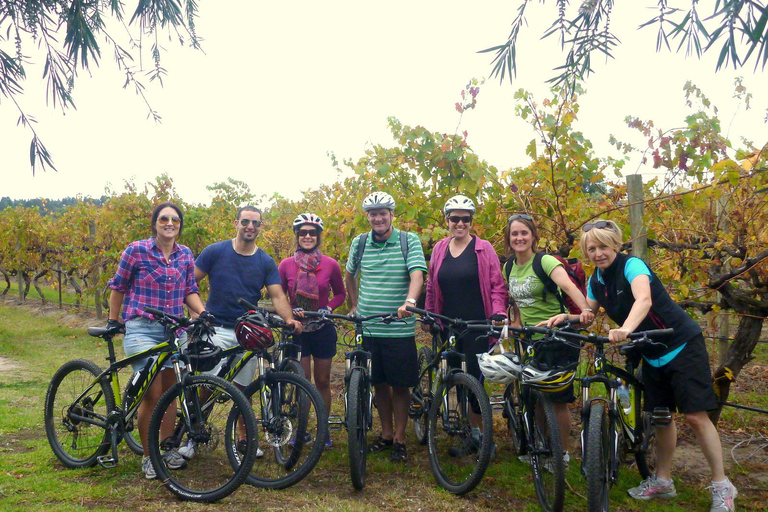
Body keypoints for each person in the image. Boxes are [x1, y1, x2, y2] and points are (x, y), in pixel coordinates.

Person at [574, 219, 736, 512]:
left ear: (616, 245)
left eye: (603, 246)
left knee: (696, 416)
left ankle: (723, 486)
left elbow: (644, 300)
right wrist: (572, 317)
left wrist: (625, 328)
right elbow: (589, 310)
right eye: (591, 248)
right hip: (650, 352)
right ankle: (663, 481)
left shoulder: (632, 266)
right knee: (661, 417)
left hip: (680, 344)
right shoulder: (595, 279)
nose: (598, 253)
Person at [107, 202, 207, 479]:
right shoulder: (136, 250)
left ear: (179, 225)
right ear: (154, 223)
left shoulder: (185, 254)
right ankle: (149, 456)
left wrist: (202, 312)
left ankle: (166, 448)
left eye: (175, 219)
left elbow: (190, 290)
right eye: (164, 218)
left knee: (171, 391)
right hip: (142, 329)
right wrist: (114, 321)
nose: (170, 223)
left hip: (174, 331)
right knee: (152, 393)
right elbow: (118, 286)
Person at [194, 206, 303, 456]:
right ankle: (193, 434)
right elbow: (190, 282)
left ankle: (244, 440)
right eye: (245, 221)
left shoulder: (264, 260)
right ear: (236, 223)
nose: (250, 226)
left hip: (247, 332)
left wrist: (288, 319)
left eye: (255, 223)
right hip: (216, 328)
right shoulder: (215, 251)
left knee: (243, 389)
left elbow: (277, 294)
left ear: (260, 227)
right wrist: (196, 312)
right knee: (208, 385)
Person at [504, 213, 594, 466]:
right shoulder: (509, 266)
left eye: (524, 233)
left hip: (559, 336)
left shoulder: (544, 262)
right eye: (515, 234)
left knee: (557, 397)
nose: (519, 238)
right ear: (509, 239)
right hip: (531, 338)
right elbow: (517, 298)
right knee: (536, 392)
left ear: (533, 236)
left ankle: (561, 454)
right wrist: (517, 322)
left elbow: (567, 287)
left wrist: (585, 310)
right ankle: (544, 446)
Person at [344, 191, 427, 462]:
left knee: (400, 386)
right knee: (378, 383)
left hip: (398, 327)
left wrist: (410, 301)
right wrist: (354, 304)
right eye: (373, 213)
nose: (378, 217)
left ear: (392, 215)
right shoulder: (360, 242)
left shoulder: (408, 240)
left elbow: (417, 274)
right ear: (367, 216)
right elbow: (350, 273)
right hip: (368, 327)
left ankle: (401, 439)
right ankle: (387, 434)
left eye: (383, 213)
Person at [424, 195, 508, 455]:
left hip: (477, 325)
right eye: (454, 218)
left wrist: (497, 313)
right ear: (447, 220)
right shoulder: (440, 248)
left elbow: (497, 286)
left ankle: (484, 438)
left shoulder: (483, 248)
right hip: (449, 323)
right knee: (456, 379)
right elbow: (431, 286)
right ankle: (469, 433)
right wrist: (430, 315)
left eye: (465, 219)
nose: (460, 223)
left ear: (471, 221)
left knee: (475, 381)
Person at [279, 213, 346, 447]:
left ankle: (323, 429)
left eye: (312, 233)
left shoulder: (330, 264)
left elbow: (340, 294)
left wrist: (328, 307)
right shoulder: (286, 264)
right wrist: (290, 311)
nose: (308, 236)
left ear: (318, 236)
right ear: (297, 235)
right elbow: (279, 296)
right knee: (303, 381)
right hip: (297, 331)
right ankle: (302, 429)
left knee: (323, 381)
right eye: (303, 232)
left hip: (322, 328)